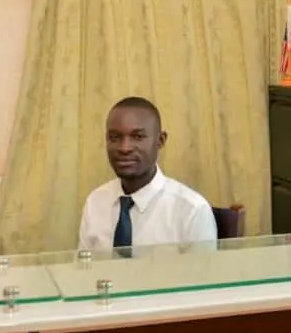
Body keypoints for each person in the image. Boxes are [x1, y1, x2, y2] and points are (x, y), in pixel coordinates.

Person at [78, 96, 217, 252]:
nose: (125, 148)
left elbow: (202, 275)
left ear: (161, 140)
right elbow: (85, 272)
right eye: (115, 137)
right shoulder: (95, 202)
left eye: (137, 137)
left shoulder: (192, 211)